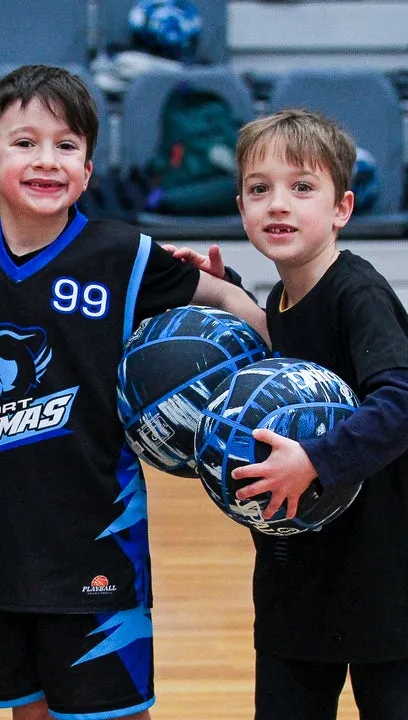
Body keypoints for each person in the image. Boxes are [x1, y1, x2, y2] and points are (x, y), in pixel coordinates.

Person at [0, 64, 267, 720]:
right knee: (28, 710)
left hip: (95, 539)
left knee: (111, 712)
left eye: (66, 146)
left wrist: (278, 343)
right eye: (23, 143)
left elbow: (221, 294)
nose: (46, 160)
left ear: (87, 171)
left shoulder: (123, 255)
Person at [172, 108, 408, 720]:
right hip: (295, 572)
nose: (278, 204)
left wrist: (316, 461)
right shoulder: (280, 297)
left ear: (342, 208)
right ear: (242, 206)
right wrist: (231, 300)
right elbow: (288, 366)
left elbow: (402, 400)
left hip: (384, 576)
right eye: (259, 189)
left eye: (302, 187)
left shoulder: (358, 292)